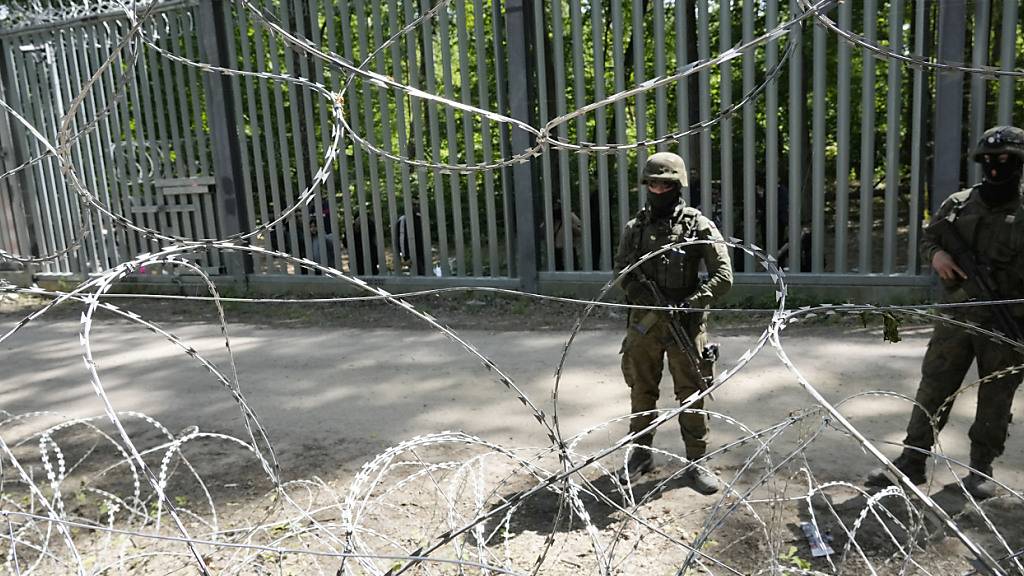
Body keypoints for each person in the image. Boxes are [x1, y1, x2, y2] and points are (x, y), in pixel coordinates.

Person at [865, 126, 1024, 500]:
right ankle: (912, 461)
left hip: (1008, 322)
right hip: (956, 318)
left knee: (995, 397)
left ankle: (981, 469)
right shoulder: (958, 204)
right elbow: (930, 238)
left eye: (1006, 161)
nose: (995, 168)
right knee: (935, 387)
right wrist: (937, 256)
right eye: (988, 160)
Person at [612, 151, 734, 494]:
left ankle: (696, 463)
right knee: (641, 390)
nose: (657, 189)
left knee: (692, 395)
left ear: (677, 185)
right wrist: (642, 294)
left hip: (685, 324)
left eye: (664, 184)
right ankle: (640, 454)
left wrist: (691, 303)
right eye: (652, 183)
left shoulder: (698, 225)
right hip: (645, 324)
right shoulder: (635, 228)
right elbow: (622, 270)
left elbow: (724, 276)